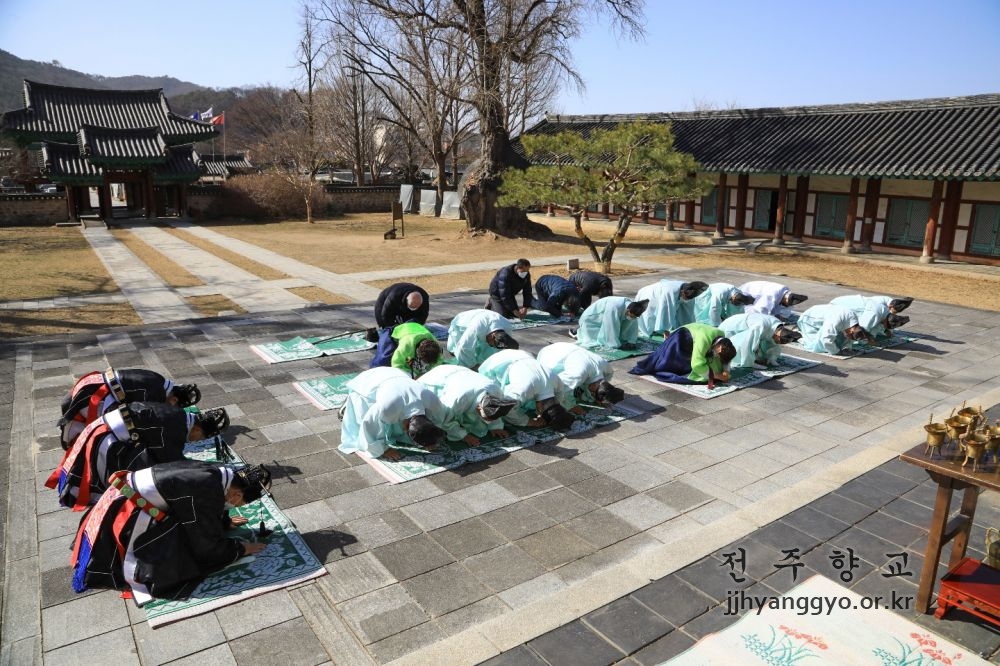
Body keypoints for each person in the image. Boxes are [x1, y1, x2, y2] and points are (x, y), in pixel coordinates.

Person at [70, 460, 272, 599]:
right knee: (188, 555)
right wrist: (239, 548)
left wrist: (222, 522)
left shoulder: (216, 472)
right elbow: (205, 542)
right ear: (236, 495)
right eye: (240, 502)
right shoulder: (208, 489)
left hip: (119, 499)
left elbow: (193, 506)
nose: (234, 505)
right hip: (129, 515)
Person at [47, 403, 230, 510]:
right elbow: (171, 466)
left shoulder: (177, 414)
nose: (195, 441)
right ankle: (105, 499)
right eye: (200, 437)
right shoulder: (177, 429)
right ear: (198, 429)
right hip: (107, 440)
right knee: (133, 475)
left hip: (103, 426)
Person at [58, 368, 201, 448]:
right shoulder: (156, 395)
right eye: (173, 405)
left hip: (93, 384)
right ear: (174, 399)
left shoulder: (159, 380)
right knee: (110, 432)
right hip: (93, 397)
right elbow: (138, 420)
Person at [338, 366, 448, 460]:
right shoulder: (387, 407)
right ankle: (347, 405)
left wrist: (430, 439)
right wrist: (383, 450)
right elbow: (369, 425)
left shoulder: (433, 401)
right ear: (405, 426)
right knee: (365, 420)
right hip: (370, 382)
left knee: (392, 417)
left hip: (397, 376)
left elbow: (436, 421)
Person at [418, 364, 517, 446]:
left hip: (460, 373)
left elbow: (495, 409)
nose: (488, 422)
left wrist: (495, 426)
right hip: (437, 379)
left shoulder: (495, 391)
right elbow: (445, 420)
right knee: (435, 418)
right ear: (479, 407)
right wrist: (463, 436)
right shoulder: (456, 400)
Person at [478, 349, 576, 431]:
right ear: (540, 408)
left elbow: (559, 397)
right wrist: (528, 421)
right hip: (500, 361)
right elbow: (508, 411)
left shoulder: (557, 382)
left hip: (523, 354)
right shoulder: (521, 391)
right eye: (539, 411)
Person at [629, 323, 737, 385]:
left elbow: (726, 359)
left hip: (698, 336)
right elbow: (697, 364)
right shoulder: (704, 340)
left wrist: (726, 371)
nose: (717, 357)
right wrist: (716, 375)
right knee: (669, 363)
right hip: (683, 337)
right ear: (719, 349)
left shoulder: (723, 340)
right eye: (717, 355)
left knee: (716, 367)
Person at [536, 342, 626, 413]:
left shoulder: (607, 368)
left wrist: (603, 397)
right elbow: (562, 387)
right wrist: (571, 406)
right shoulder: (577, 374)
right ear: (593, 387)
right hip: (550, 355)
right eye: (592, 393)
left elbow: (606, 382)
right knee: (550, 388)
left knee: (578, 388)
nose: (592, 395)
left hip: (566, 347)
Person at [718, 312, 802, 369]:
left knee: (763, 341)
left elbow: (773, 343)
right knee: (746, 342)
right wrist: (750, 362)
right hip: (731, 330)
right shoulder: (760, 326)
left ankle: (756, 357)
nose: (778, 343)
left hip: (746, 330)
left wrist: (772, 357)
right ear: (777, 335)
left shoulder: (778, 326)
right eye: (779, 341)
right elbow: (747, 342)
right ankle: (748, 360)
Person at [446, 309, 519, 369]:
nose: (491, 346)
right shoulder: (478, 326)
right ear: (492, 335)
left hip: (485, 320)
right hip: (461, 323)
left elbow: (503, 348)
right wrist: (468, 368)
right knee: (454, 351)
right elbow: (464, 347)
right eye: (492, 344)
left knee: (487, 357)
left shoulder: (507, 327)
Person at [635, 280, 708, 338]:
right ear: (683, 293)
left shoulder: (691, 291)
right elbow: (666, 312)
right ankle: (652, 332)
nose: (686, 300)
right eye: (685, 298)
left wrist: (689, 329)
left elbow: (688, 313)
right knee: (649, 321)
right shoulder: (670, 292)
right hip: (650, 295)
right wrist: (666, 331)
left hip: (663, 293)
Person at [573, 297, 648, 350]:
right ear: (628, 310)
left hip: (604, 317)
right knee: (595, 341)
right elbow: (610, 326)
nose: (632, 317)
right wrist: (615, 345)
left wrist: (631, 341)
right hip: (592, 319)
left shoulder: (632, 307)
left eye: (635, 316)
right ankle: (576, 331)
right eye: (631, 316)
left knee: (630, 322)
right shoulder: (614, 308)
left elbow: (633, 323)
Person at [795, 303, 872, 354]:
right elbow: (825, 339)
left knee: (839, 341)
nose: (849, 338)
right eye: (850, 336)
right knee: (816, 346)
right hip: (808, 321)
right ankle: (798, 334)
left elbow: (850, 338)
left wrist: (847, 347)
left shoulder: (854, 323)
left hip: (825, 322)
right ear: (851, 331)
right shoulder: (836, 320)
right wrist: (837, 352)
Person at [830, 294, 912, 338]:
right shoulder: (874, 313)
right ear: (890, 306)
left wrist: (886, 330)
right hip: (836, 307)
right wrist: (869, 338)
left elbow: (881, 324)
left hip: (850, 308)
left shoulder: (884, 311)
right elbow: (862, 329)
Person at [739, 280, 808, 321]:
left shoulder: (786, 292)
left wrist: (782, 317)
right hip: (745, 295)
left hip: (759, 297)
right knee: (753, 319)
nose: (786, 305)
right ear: (785, 298)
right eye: (786, 303)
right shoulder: (771, 295)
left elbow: (785, 312)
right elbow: (760, 311)